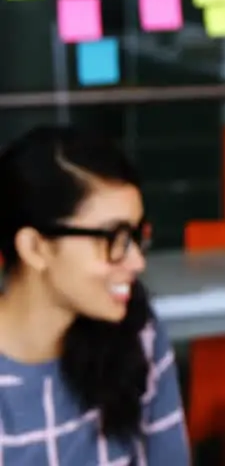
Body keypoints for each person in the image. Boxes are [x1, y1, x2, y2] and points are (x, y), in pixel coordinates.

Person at [0, 125, 189, 464]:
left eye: (135, 235)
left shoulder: (137, 332)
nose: (136, 260)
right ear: (35, 248)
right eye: (113, 238)